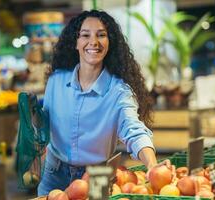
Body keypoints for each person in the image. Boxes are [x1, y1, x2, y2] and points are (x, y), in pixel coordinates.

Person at [37, 9, 159, 196]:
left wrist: (152, 165)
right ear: (75, 43)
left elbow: (134, 130)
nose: (93, 42)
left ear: (110, 43)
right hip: (53, 174)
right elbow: (45, 124)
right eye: (85, 35)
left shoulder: (119, 92)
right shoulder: (56, 81)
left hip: (96, 176)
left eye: (101, 35)